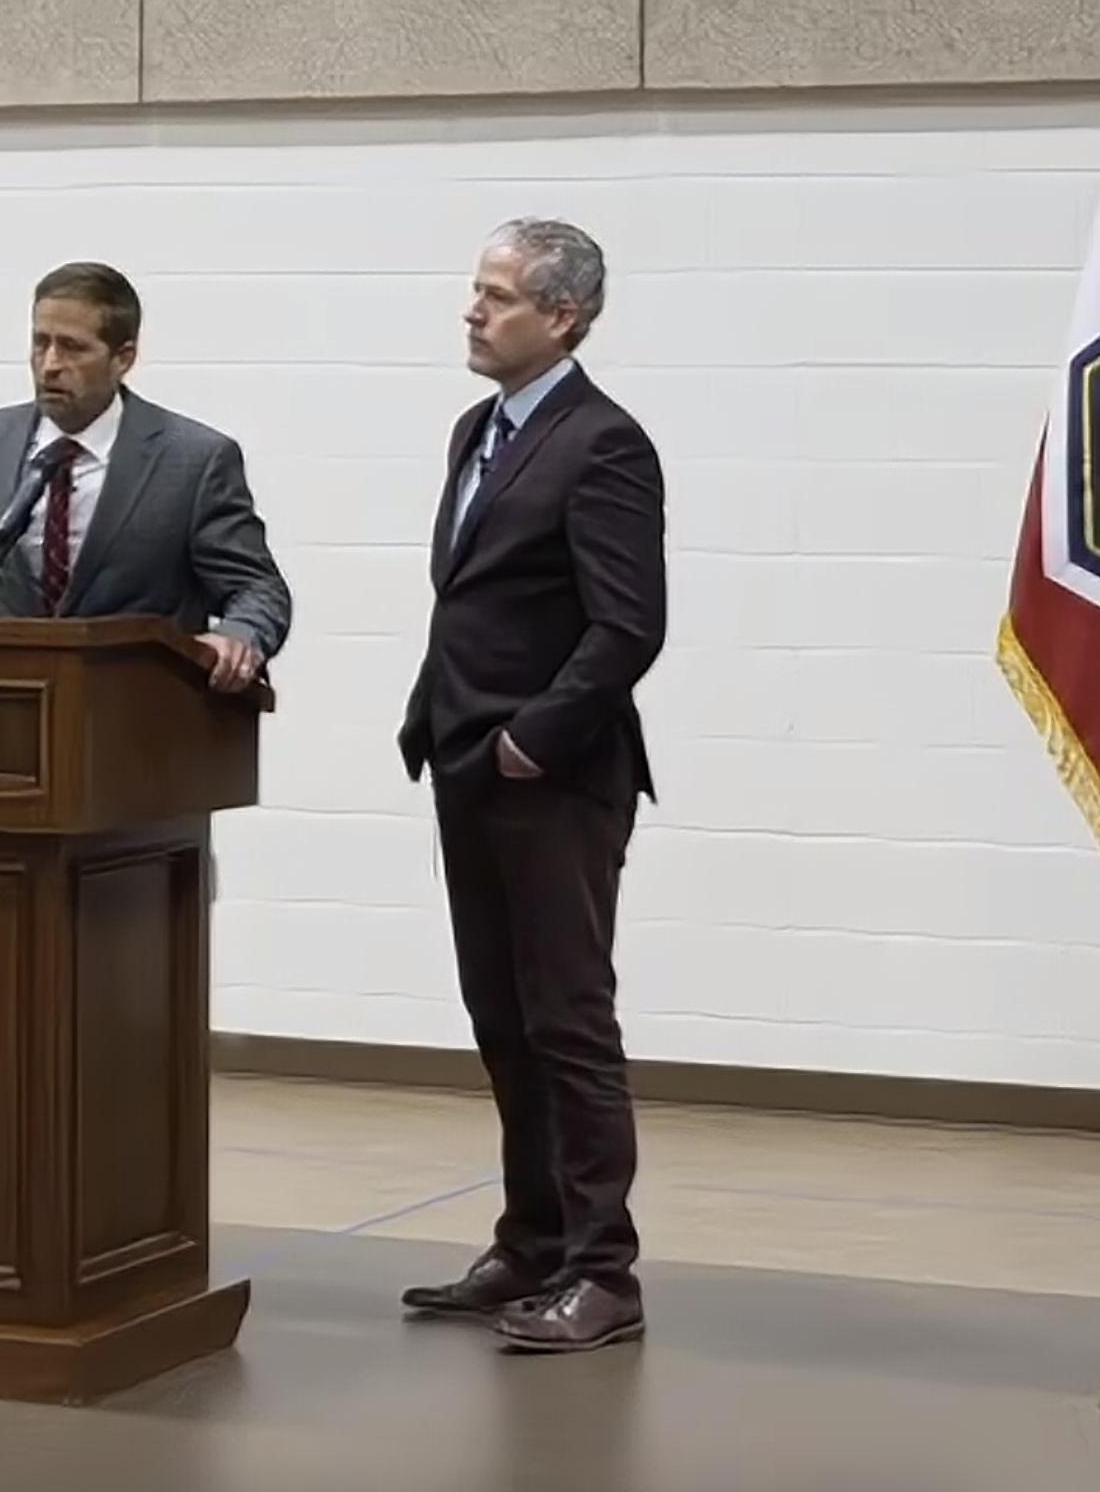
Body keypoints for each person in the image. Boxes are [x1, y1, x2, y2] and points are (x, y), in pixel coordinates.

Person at [395, 218, 667, 1353]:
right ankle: (532, 1242)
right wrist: (435, 718)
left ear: (562, 317)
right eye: (473, 289)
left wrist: (531, 740)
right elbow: (475, 595)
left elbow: (626, 626)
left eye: (496, 295)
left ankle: (603, 1270)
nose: (472, 309)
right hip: (465, 762)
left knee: (566, 1021)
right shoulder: (480, 429)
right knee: (499, 1017)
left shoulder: (603, 443)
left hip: (551, 777)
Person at [0, 261, 291, 688]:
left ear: (123, 358)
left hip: (138, 715)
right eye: (41, 343)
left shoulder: (194, 460)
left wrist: (239, 638)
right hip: (3, 707)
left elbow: (258, 589)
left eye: (73, 347)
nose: (50, 364)